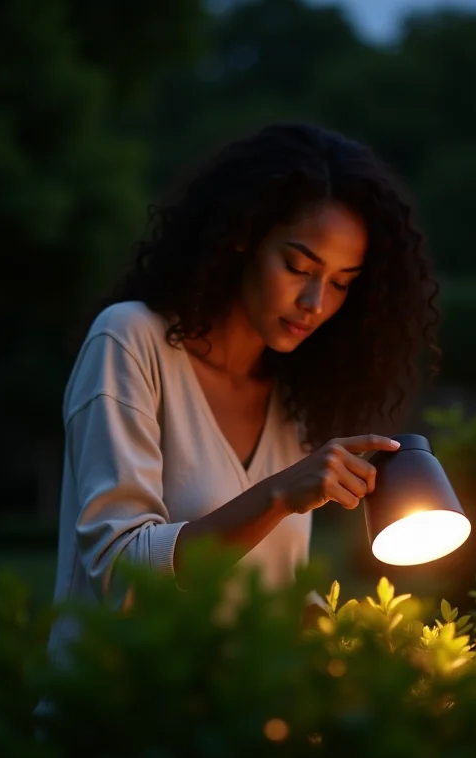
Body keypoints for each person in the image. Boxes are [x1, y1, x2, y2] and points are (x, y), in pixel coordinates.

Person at [45, 121, 440, 663]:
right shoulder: (131, 340)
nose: (315, 301)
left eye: (342, 282)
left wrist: (352, 646)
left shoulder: (295, 400)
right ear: (242, 237)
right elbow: (122, 575)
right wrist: (278, 496)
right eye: (298, 266)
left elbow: (264, 591)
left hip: (238, 734)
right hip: (117, 726)